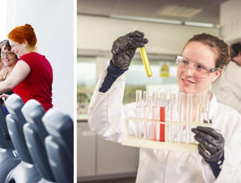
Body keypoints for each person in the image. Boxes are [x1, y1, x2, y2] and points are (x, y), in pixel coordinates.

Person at [88, 31, 241, 182]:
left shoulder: (230, 120)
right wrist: (116, 70)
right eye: (185, 61)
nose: (188, 72)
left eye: (200, 67)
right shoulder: (152, 108)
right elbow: (105, 124)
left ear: (216, 74)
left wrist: (219, 161)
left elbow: (236, 177)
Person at [213, 42, 241, 113]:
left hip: (219, 111)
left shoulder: (223, 67)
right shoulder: (237, 71)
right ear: (240, 54)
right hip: (233, 114)